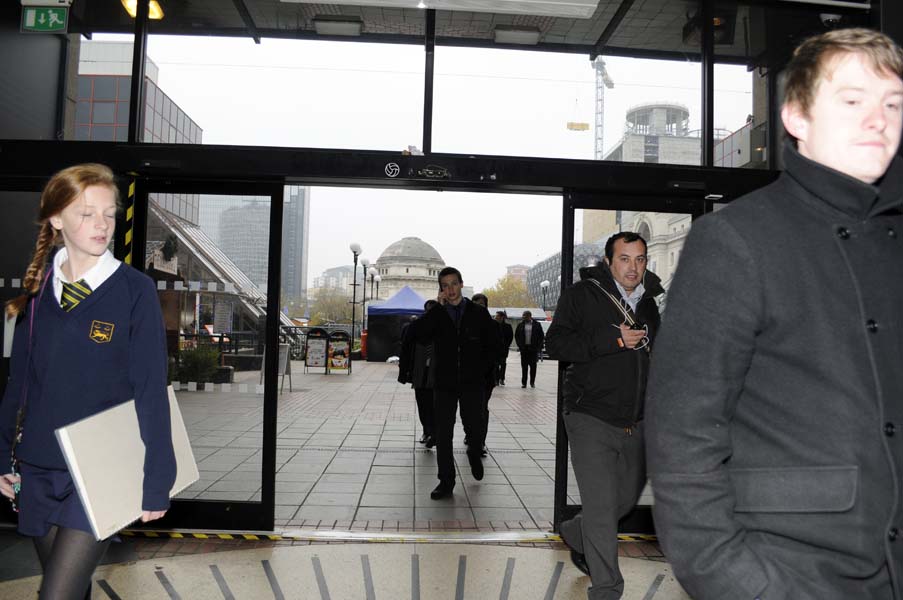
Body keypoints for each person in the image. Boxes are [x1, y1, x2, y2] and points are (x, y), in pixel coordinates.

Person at [645, 28, 903, 600]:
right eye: (853, 100)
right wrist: (740, 583)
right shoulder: (736, 239)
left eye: (893, 103)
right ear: (796, 117)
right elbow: (683, 436)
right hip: (791, 575)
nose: (878, 119)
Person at [0, 164, 176, 599]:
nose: (102, 225)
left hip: (100, 470)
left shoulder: (134, 291)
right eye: (86, 213)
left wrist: (158, 477)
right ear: (56, 219)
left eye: (109, 214)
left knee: (55, 595)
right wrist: (2, 454)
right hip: (39, 466)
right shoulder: (37, 292)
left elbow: (150, 389)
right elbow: (19, 383)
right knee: (71, 591)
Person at [546, 231, 662, 600]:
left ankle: (579, 533)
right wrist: (612, 341)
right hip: (589, 415)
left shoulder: (649, 304)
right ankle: (607, 589)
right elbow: (556, 344)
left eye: (640, 259)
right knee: (600, 508)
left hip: (637, 420)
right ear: (609, 261)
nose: (633, 267)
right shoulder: (581, 296)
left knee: (624, 501)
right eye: (625, 259)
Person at [414, 267, 498, 500]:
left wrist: (482, 370)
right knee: (443, 433)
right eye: (445, 286)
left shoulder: (477, 313)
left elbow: (494, 343)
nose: (450, 290)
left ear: (461, 284)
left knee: (474, 427)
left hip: (472, 382)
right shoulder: (438, 314)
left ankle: (473, 450)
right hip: (445, 383)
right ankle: (446, 481)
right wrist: (437, 309)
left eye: (453, 284)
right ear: (441, 289)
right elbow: (418, 334)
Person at [397, 300, 438, 448]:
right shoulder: (415, 327)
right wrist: (404, 372)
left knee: (434, 405)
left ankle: (433, 432)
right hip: (420, 373)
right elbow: (406, 350)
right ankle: (428, 431)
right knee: (423, 403)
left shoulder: (444, 328)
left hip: (437, 374)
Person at [514, 310, 544, 388]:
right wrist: (520, 346)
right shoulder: (520, 325)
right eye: (523, 316)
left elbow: (541, 336)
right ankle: (524, 383)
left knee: (533, 367)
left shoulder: (537, 325)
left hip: (533, 349)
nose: (523, 317)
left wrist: (538, 347)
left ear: (529, 316)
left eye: (525, 316)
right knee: (524, 367)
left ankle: (532, 382)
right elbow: (517, 336)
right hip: (524, 349)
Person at [495, 311, 514, 386]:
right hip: (495, 349)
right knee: (495, 365)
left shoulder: (508, 326)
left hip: (504, 349)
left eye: (497, 316)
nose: (495, 317)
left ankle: (502, 379)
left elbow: (510, 337)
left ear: (502, 317)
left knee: (503, 364)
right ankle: (496, 379)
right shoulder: (493, 325)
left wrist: (506, 345)